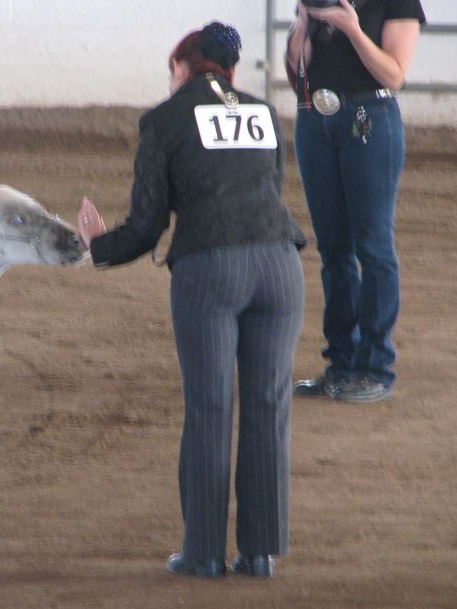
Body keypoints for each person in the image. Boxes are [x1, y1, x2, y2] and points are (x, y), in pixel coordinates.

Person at [77, 22, 306, 579]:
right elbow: (268, 192)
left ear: (183, 67)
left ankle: (203, 552)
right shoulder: (263, 114)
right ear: (227, 71)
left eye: (171, 71)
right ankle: (260, 554)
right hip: (280, 266)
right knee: (268, 407)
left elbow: (149, 223)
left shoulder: (163, 120)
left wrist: (97, 245)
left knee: (209, 410)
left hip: (210, 270)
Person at [285, 0, 425, 402]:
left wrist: (352, 29)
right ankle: (342, 362)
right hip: (315, 118)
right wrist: (300, 26)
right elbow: (298, 77)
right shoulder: (316, 2)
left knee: (373, 246)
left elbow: (393, 74)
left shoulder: (397, 3)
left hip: (370, 116)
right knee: (333, 250)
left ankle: (374, 366)